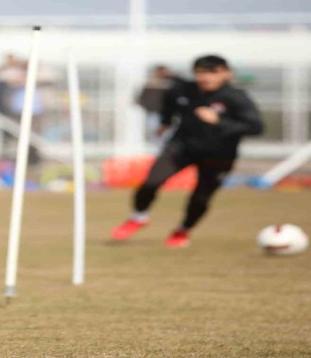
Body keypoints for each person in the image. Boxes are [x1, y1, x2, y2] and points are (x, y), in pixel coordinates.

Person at [110, 55, 263, 247]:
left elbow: (256, 127)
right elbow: (170, 101)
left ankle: (182, 230)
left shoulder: (237, 97)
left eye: (212, 72)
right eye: (200, 73)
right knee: (151, 181)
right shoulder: (184, 90)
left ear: (226, 73)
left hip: (219, 155)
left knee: (201, 198)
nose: (206, 77)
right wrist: (166, 122)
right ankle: (139, 216)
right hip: (181, 147)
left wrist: (219, 121)